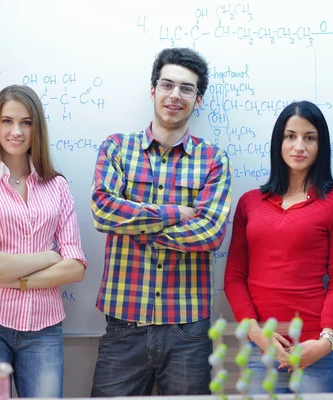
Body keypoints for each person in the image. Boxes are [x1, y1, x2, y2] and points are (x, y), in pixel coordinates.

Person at [90, 47, 231, 397]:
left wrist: (137, 227)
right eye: (167, 85)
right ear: (153, 90)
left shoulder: (213, 159)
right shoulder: (117, 148)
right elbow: (103, 211)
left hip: (188, 331)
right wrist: (173, 214)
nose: (175, 95)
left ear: (198, 100)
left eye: (186, 89)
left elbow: (211, 232)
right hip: (124, 324)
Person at [0, 85, 87, 398]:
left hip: (44, 326)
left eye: (26, 122)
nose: (16, 131)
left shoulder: (56, 186)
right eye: (7, 121)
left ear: (36, 128)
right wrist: (49, 256)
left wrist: (16, 277)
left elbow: (76, 267)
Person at [224, 101, 333, 394]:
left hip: (317, 352)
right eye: (290, 136)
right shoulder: (250, 203)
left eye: (310, 137)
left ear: (321, 145)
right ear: (278, 142)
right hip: (261, 349)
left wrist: (326, 340)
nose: (299, 146)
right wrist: (255, 332)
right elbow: (234, 276)